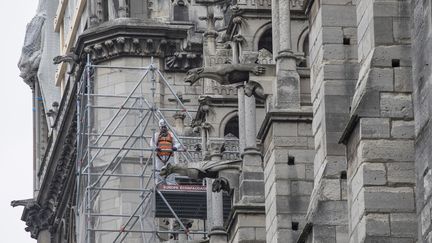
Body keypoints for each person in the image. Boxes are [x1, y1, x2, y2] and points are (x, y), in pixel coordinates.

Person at [152, 119, 180, 185]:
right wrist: (156, 148)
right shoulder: (156, 135)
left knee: (170, 170)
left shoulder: (171, 135)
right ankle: (159, 183)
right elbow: (152, 143)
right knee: (159, 170)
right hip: (160, 156)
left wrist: (175, 147)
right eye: (162, 127)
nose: (163, 128)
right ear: (160, 127)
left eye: (164, 127)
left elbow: (178, 143)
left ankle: (171, 184)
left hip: (169, 155)